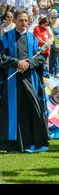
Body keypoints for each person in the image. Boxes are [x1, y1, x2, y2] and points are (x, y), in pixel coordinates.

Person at [0, 10, 49, 153]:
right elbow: (1, 57)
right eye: (21, 20)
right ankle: (13, 146)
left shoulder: (33, 38)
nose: (24, 23)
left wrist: (29, 63)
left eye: (26, 20)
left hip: (30, 79)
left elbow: (40, 58)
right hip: (12, 82)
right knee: (13, 112)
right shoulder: (5, 37)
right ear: (14, 20)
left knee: (33, 109)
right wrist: (17, 63)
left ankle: (33, 143)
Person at [49, 9, 59, 78]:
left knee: (56, 58)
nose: (53, 19)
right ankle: (50, 72)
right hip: (49, 44)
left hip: (57, 44)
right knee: (50, 58)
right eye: (52, 17)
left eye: (55, 17)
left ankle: (57, 72)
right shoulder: (48, 25)